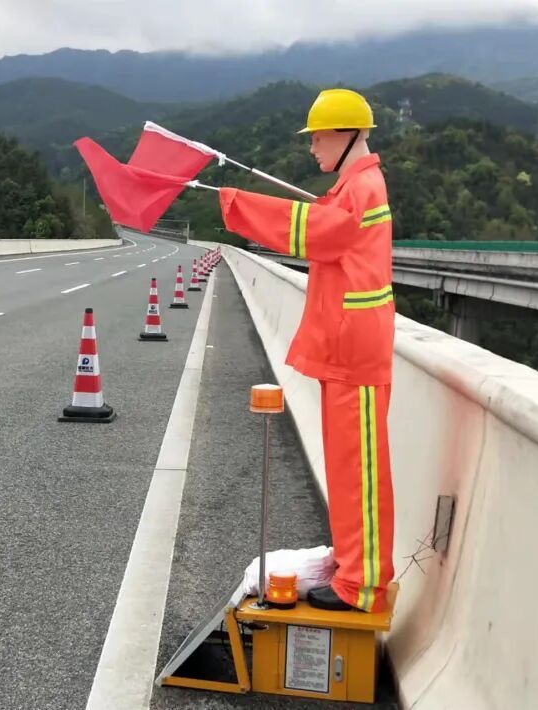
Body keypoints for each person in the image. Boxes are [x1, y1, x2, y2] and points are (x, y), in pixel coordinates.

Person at [218, 89, 395, 612]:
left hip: (355, 350)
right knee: (346, 467)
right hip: (345, 346)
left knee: (360, 471)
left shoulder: (362, 188)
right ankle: (351, 566)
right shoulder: (352, 187)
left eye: (318, 137)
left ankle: (362, 584)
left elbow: (314, 233)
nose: (313, 147)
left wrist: (237, 205)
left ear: (346, 134)